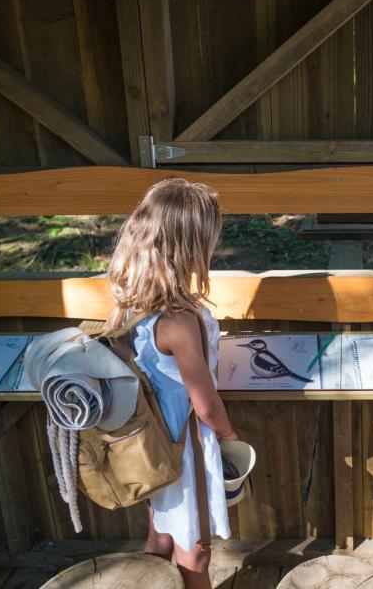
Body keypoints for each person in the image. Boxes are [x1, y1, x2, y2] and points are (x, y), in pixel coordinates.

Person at [106, 178, 238, 589]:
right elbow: (205, 404)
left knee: (161, 534)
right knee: (195, 550)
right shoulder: (179, 321)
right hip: (188, 449)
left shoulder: (132, 304)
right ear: (189, 247)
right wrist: (229, 436)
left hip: (155, 443)